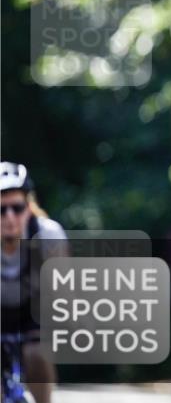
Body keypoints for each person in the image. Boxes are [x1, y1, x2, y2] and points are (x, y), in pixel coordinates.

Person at [1, 162, 67, 403]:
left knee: (36, 352)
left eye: (17, 208)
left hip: (35, 312)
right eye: (1, 210)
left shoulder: (49, 236)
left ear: (28, 208)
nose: (9, 217)